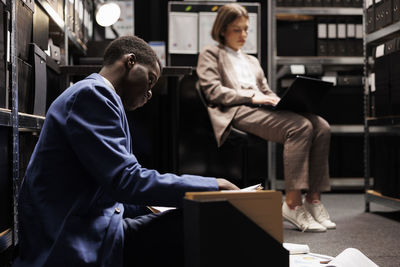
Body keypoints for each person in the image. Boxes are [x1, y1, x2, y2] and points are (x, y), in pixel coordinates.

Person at [13, 36, 239, 267]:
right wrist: (212, 185)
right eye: (150, 80)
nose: (150, 93)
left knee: (187, 218)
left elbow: (109, 190)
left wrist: (152, 207)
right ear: (130, 61)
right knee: (199, 222)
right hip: (72, 239)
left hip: (87, 227)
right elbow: (126, 181)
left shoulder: (97, 95)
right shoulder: (93, 95)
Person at [197, 3, 336, 233]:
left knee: (321, 125)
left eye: (246, 29)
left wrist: (280, 101)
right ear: (222, 30)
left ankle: (313, 200)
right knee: (300, 127)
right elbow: (214, 92)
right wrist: (252, 97)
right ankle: (292, 203)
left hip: (262, 108)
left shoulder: (252, 60)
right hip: (237, 110)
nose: (243, 35)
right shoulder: (211, 54)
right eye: (236, 30)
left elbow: (267, 91)